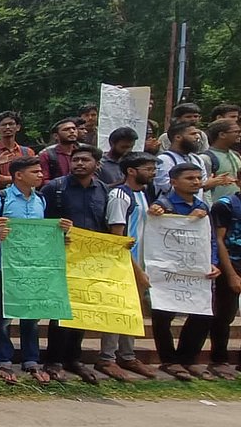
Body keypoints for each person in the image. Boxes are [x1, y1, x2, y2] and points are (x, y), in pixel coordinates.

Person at [0, 156, 71, 384]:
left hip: (33, 267)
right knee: (4, 317)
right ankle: (3, 360)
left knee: (31, 314)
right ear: (19, 175)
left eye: (40, 172)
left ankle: (31, 360)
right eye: (36, 172)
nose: (41, 175)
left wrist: (60, 230)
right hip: (6, 266)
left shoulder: (40, 200)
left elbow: (42, 232)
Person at [40, 144, 111, 383]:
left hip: (89, 259)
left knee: (83, 308)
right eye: (76, 159)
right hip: (60, 255)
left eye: (85, 160)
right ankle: (54, 360)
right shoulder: (54, 188)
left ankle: (74, 358)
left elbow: (104, 224)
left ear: (96, 165)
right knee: (60, 309)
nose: (79, 164)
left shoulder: (103, 190)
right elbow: (40, 224)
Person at [148, 163, 219, 380]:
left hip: (197, 272)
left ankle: (188, 359)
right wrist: (156, 214)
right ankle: (169, 359)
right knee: (163, 315)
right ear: (173, 182)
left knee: (201, 314)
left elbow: (211, 240)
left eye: (198, 178)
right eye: (190, 178)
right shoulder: (162, 206)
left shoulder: (203, 206)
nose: (196, 182)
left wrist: (213, 262)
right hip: (167, 273)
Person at [101, 152, 160, 379]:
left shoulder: (143, 194)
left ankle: (127, 355)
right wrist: (136, 269)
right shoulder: (120, 196)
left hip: (140, 261)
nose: (152, 173)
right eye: (148, 168)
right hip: (123, 262)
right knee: (118, 309)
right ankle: (107, 358)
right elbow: (117, 237)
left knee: (133, 310)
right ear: (131, 171)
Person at [208, 181, 241, 380]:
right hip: (231, 264)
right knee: (224, 315)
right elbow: (219, 239)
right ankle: (219, 359)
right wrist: (231, 274)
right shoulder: (225, 204)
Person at [0, 111, 34, 193]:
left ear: (18, 127)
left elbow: (33, 176)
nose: (8, 127)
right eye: (4, 125)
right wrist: (22, 178)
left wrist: (5, 179)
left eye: (11, 124)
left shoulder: (27, 152)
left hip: (23, 196)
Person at [154, 121, 210, 197]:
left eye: (198, 134)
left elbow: (202, 184)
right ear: (178, 137)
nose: (197, 137)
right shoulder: (164, 160)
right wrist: (205, 185)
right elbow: (166, 188)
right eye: (193, 134)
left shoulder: (197, 159)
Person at [204, 118, 241, 203]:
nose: (239, 135)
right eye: (236, 132)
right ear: (222, 135)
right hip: (218, 208)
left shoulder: (236, 155)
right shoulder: (207, 158)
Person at [39, 118, 80, 182]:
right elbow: (43, 180)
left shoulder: (84, 151)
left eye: (74, 128)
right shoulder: (47, 155)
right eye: (66, 129)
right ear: (56, 136)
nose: (72, 131)